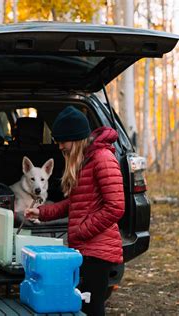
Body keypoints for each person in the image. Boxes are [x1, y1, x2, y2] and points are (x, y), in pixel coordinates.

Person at [24, 106, 125, 316]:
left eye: (63, 141)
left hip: (98, 250)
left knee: (92, 307)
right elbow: (75, 204)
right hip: (86, 248)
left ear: (77, 138)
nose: (60, 146)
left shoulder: (102, 159)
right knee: (81, 305)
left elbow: (116, 207)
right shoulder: (85, 161)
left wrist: (81, 230)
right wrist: (42, 212)